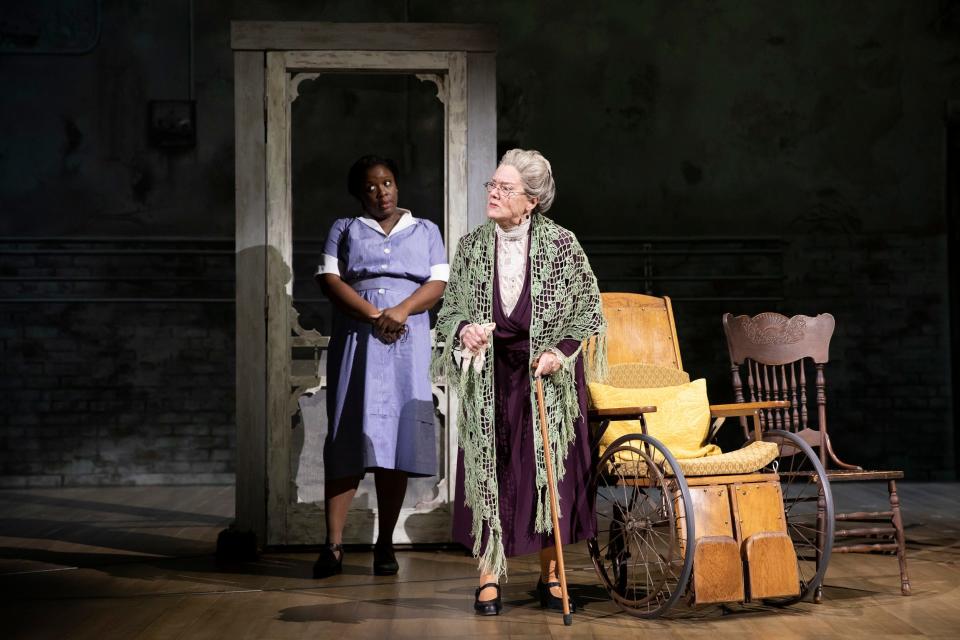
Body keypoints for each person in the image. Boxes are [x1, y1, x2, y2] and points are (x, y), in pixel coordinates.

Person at [432, 149, 606, 615]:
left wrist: (558, 353)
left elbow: (586, 312)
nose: (493, 192)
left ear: (530, 201)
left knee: (548, 476)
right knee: (493, 472)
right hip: (492, 376)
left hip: (546, 376)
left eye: (504, 188)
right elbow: (451, 311)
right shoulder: (471, 247)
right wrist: (465, 329)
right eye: (492, 185)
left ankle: (551, 575)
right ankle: (489, 574)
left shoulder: (563, 245)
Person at [314, 154, 448, 578]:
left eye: (387, 183)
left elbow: (439, 281)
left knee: (397, 441)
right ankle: (333, 546)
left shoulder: (425, 229)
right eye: (371, 186)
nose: (381, 192)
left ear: (397, 186)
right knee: (348, 434)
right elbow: (329, 279)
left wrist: (403, 310)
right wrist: (376, 316)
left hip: (408, 342)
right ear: (360, 192)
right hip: (359, 337)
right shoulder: (345, 229)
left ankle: (385, 543)